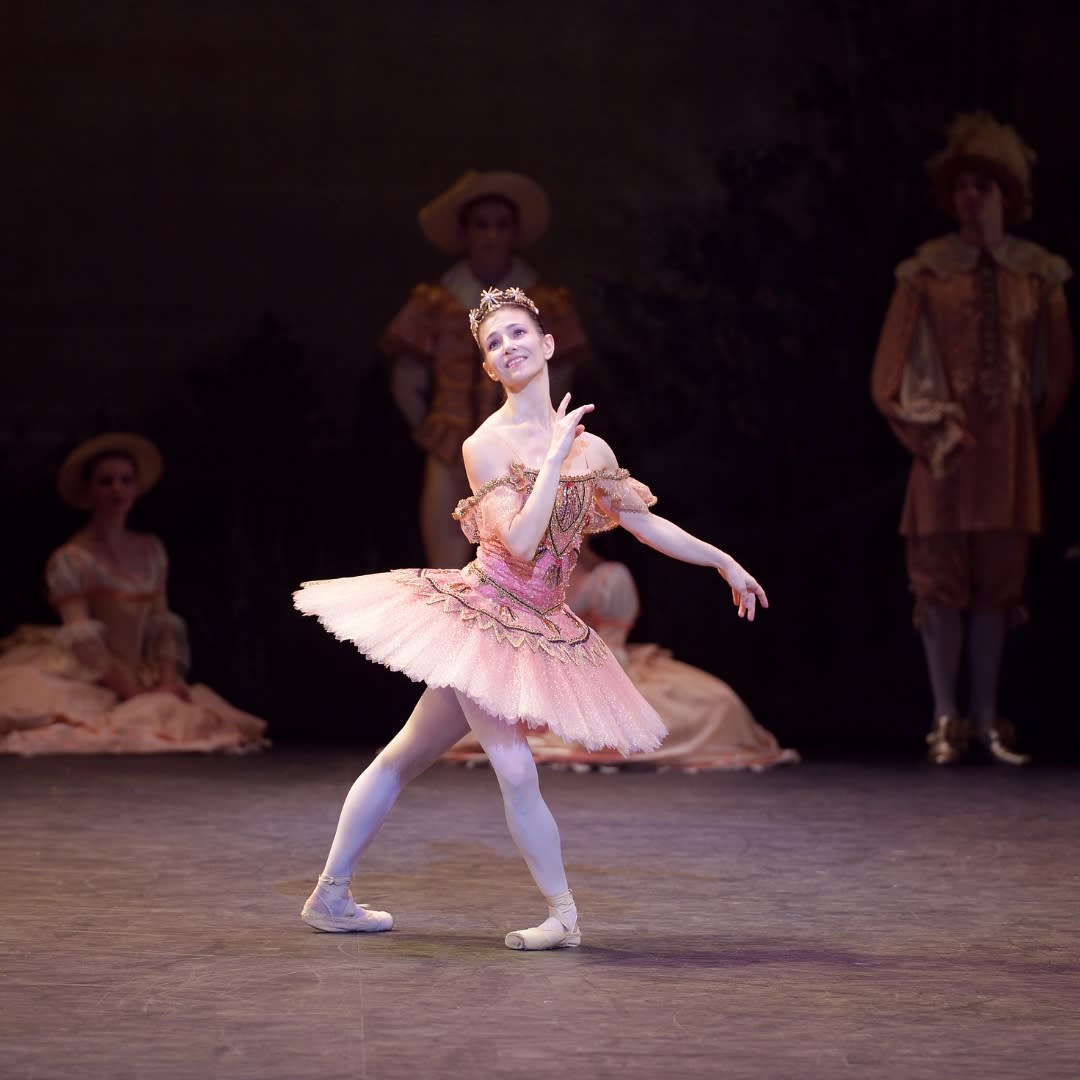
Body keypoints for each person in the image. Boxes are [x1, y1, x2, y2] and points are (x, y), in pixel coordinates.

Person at [294, 286, 768, 951]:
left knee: (402, 757)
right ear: (489, 368)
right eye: (493, 343)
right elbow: (517, 543)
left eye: (517, 334)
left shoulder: (591, 449)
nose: (507, 346)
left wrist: (723, 560)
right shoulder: (484, 445)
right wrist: (549, 463)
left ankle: (330, 895)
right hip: (487, 616)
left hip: (540, 620)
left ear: (546, 345)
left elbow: (642, 521)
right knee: (514, 768)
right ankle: (563, 915)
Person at [871, 112, 1074, 766]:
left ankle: (986, 717)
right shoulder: (926, 273)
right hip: (945, 448)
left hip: (1009, 451)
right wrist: (932, 427)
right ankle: (945, 715)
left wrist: (1017, 431)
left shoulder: (1037, 276)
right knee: (938, 580)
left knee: (998, 583)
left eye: (982, 185)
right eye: (961, 185)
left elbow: (1055, 376)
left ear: (1007, 195)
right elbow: (889, 374)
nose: (970, 197)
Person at [0, 433, 268, 755]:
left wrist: (167, 681)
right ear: (88, 490)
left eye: (125, 480)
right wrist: (135, 694)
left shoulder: (151, 549)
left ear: (136, 487)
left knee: (188, 716)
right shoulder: (71, 559)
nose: (117, 489)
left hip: (141, 670)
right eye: (106, 481)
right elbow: (84, 642)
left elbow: (162, 623)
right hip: (90, 673)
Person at [443, 537, 797, 772]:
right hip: (531, 665)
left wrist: (723, 561)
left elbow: (610, 647)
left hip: (595, 666)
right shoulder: (510, 575)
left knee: (713, 704)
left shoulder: (608, 577)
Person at [381, 170, 589, 568]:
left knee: (530, 561)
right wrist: (430, 428)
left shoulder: (544, 301)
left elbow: (560, 375)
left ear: (515, 232)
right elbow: (406, 380)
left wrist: (545, 427)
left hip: (525, 449)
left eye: (501, 225)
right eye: (481, 225)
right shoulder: (435, 301)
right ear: (464, 233)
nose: (492, 235)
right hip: (450, 447)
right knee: (445, 564)